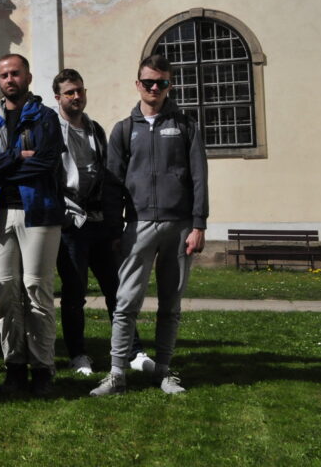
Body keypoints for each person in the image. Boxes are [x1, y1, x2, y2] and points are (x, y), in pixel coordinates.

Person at [90, 55, 208, 397]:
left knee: (170, 305)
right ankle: (116, 373)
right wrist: (115, 229)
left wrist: (198, 224)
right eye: (148, 82)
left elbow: (199, 177)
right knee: (126, 302)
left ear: (169, 85)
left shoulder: (185, 125)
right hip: (138, 225)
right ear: (137, 84)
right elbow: (112, 184)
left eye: (162, 82)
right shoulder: (124, 129)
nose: (154, 88)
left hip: (180, 226)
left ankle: (165, 371)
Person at [0, 53, 64, 397]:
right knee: (4, 292)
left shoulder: (46, 118)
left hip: (38, 213)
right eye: (4, 75)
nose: (10, 79)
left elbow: (46, 164)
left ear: (28, 77)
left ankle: (43, 368)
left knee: (37, 291)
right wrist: (15, 157)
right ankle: (15, 367)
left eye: (16, 73)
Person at [52, 69, 152, 376]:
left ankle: (132, 350)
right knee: (74, 293)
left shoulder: (94, 129)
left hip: (100, 223)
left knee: (116, 289)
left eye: (80, 91)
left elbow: (107, 177)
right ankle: (78, 354)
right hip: (71, 225)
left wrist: (113, 225)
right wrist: (62, 217)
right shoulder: (51, 130)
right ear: (58, 97)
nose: (76, 96)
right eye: (70, 92)